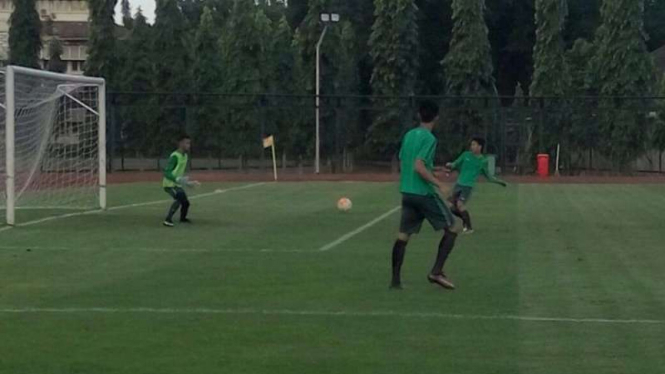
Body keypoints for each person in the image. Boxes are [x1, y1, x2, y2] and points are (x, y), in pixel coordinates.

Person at [391, 100, 462, 291]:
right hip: (423, 194)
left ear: (418, 115)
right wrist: (440, 184)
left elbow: (407, 162)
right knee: (453, 227)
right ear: (437, 117)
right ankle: (436, 272)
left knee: (403, 236)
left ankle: (395, 282)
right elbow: (418, 166)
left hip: (407, 192)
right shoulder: (430, 138)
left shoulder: (409, 135)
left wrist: (434, 169)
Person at [445, 138, 507, 234]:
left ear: (480, 147)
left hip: (467, 186)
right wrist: (450, 165)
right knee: (451, 206)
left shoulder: (483, 161)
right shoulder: (466, 155)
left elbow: (489, 176)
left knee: (460, 205)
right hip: (458, 184)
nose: (472, 147)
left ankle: (469, 227)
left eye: (474, 145)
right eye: (471, 145)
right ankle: (465, 221)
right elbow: (456, 163)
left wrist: (499, 182)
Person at [162, 134, 200, 227]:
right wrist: (176, 179)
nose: (189, 145)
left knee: (186, 203)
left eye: (189, 143)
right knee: (179, 199)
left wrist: (188, 183)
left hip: (177, 184)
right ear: (180, 143)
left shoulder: (185, 156)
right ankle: (167, 220)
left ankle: (183, 219)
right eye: (187, 143)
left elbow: (179, 174)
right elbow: (166, 172)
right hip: (169, 184)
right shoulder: (175, 156)